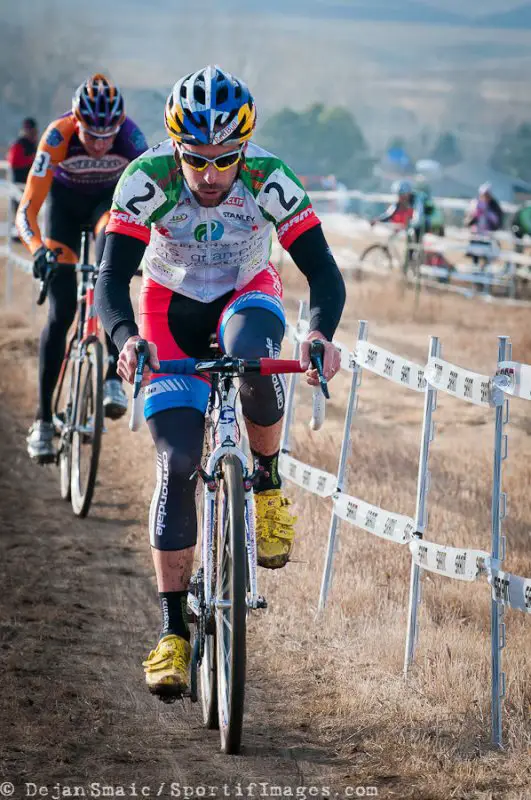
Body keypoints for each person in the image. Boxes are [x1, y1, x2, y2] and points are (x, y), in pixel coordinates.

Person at [95, 65, 345, 698]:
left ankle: (265, 484)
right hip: (166, 306)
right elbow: (109, 280)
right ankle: (174, 632)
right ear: (175, 148)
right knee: (179, 464)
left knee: (254, 361)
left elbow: (322, 271)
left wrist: (317, 336)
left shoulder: (269, 179)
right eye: (195, 160)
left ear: (244, 147)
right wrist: (127, 343)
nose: (209, 175)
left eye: (223, 159)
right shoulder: (146, 179)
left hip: (245, 293)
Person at [16, 74, 148, 462]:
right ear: (77, 121)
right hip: (64, 210)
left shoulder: (132, 139)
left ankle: (110, 376)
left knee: (112, 270)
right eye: (92, 134)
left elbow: (150, 198)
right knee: (62, 313)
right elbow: (27, 209)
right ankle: (42, 420)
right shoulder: (57, 137)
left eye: (109, 135)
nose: (101, 142)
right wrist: (37, 248)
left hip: (105, 209)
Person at [7, 117, 39, 236]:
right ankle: (17, 234)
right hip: (19, 183)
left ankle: (26, 233)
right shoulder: (19, 144)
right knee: (18, 209)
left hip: (29, 183)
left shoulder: (33, 144)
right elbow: (13, 161)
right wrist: (31, 160)